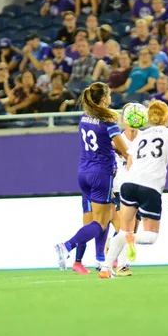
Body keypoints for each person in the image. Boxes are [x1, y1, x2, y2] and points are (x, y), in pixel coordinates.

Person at [99, 100, 168, 278]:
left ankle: (106, 268)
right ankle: (129, 240)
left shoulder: (141, 137)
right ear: (167, 117)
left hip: (129, 184)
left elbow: (130, 160)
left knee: (123, 229)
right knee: (149, 237)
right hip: (150, 186)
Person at [54, 82, 129, 271]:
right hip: (101, 174)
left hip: (84, 172)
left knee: (104, 215)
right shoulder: (108, 122)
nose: (111, 98)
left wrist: (113, 149)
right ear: (104, 99)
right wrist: (124, 154)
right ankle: (67, 246)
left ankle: (100, 259)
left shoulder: (85, 117)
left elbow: (100, 143)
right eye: (109, 95)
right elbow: (124, 148)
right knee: (101, 223)